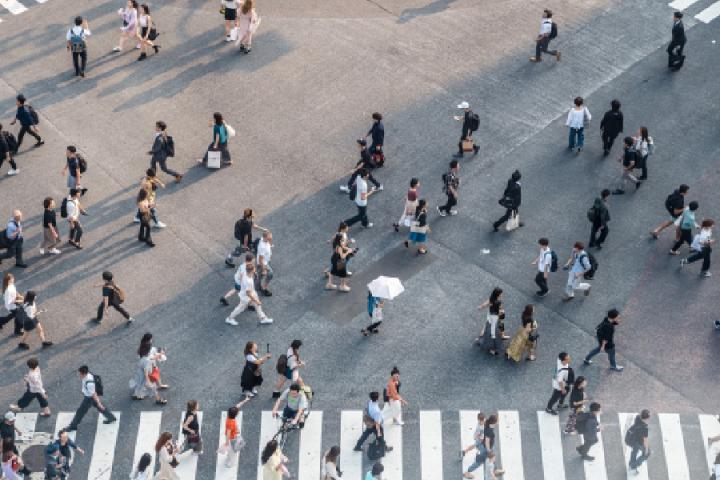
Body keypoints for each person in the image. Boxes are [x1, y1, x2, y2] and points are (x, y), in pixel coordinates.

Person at [66, 365, 117, 431]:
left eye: (79, 373)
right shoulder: (88, 374)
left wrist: (98, 403)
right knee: (100, 407)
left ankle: (73, 426)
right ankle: (111, 418)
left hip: (89, 398)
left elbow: (93, 394)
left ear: (83, 373)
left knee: (80, 412)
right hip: (90, 396)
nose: (78, 375)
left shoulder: (90, 383)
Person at [130, 340, 167, 404]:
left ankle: (136, 395)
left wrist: (160, 353)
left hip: (140, 374)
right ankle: (158, 400)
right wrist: (148, 381)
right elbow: (145, 371)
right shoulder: (146, 360)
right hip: (145, 376)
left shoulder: (144, 356)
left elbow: (152, 358)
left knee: (140, 386)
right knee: (152, 387)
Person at [463, 414, 498, 478]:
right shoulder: (489, 430)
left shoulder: (487, 423)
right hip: (486, 449)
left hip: (488, 447)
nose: (497, 422)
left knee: (492, 458)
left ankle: (495, 470)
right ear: (494, 422)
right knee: (478, 462)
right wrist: (489, 451)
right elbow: (487, 442)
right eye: (497, 421)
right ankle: (467, 472)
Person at [476, 287, 507, 353]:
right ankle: (491, 349)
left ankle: (480, 339)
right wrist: (503, 312)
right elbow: (499, 311)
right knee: (494, 333)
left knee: (486, 328)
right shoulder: (499, 302)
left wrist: (480, 307)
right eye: (501, 293)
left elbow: (485, 304)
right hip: (495, 318)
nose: (502, 294)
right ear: (498, 294)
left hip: (490, 316)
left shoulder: (491, 299)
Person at [0, 412, 32, 477]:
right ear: (7, 420)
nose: (13, 421)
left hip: (11, 444)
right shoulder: (4, 429)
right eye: (12, 420)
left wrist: (18, 430)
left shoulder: (10, 422)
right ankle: (22, 470)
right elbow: (2, 439)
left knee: (16, 457)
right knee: (14, 458)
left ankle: (20, 469)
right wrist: (1, 448)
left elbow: (13, 425)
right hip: (7, 446)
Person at [222, 402, 249, 467]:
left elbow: (237, 406)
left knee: (231, 451)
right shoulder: (231, 423)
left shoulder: (229, 417)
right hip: (232, 439)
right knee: (233, 452)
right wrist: (227, 442)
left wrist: (245, 400)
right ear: (235, 415)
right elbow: (228, 433)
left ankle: (228, 457)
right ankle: (231, 463)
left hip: (232, 437)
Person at [257, 230, 274, 296]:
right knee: (270, 274)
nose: (271, 238)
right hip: (263, 264)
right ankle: (263, 289)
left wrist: (270, 245)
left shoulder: (263, 239)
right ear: (265, 237)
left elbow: (265, 233)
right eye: (269, 238)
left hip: (265, 261)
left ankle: (258, 286)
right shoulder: (262, 247)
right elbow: (260, 260)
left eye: (271, 237)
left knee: (260, 276)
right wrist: (264, 269)